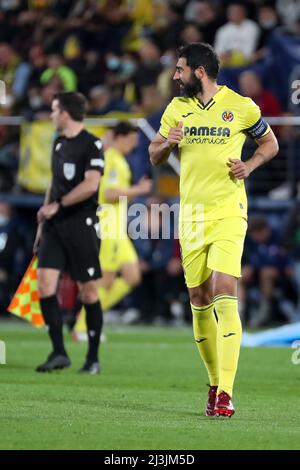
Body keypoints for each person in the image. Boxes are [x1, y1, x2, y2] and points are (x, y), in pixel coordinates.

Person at [149, 42, 279, 417]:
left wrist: (249, 166)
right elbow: (154, 155)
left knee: (225, 288)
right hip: (191, 216)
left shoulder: (241, 106)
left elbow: (269, 143)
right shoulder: (176, 109)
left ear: (199, 72)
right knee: (200, 300)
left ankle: (226, 393)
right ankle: (212, 383)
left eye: (180, 69)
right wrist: (167, 144)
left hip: (228, 210)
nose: (176, 76)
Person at [34, 91, 104, 374]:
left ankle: (93, 358)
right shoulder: (59, 143)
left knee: (88, 292)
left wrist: (58, 205)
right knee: (45, 285)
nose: (51, 116)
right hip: (54, 226)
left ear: (64, 113)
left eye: (53, 111)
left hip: (81, 224)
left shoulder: (92, 144)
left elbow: (91, 185)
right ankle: (58, 352)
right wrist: (43, 220)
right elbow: (54, 183)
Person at [74, 121, 152, 336]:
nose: (134, 145)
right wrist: (138, 189)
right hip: (108, 226)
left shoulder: (118, 159)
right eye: (132, 140)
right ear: (120, 137)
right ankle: (83, 326)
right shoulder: (111, 160)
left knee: (133, 276)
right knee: (105, 280)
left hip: (118, 228)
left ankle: (93, 316)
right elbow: (108, 194)